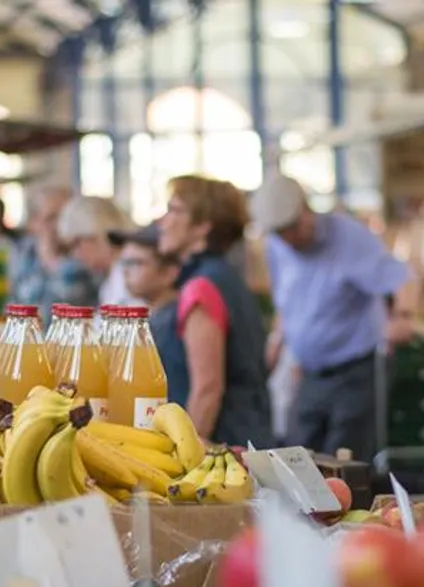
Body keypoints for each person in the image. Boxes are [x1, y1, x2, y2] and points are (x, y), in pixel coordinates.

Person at [252, 173, 416, 461]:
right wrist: (281, 343)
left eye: (292, 228)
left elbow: (403, 279)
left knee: (345, 463)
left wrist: (402, 316)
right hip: (310, 372)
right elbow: (287, 304)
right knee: (295, 457)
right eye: (280, 233)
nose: (289, 239)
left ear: (306, 209)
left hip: (356, 372)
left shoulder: (351, 239)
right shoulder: (277, 247)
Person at [158, 175, 272, 446]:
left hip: (224, 445)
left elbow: (208, 389)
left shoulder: (201, 287)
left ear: (201, 226)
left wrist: (184, 455)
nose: (163, 222)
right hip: (248, 433)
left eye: (174, 210)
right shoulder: (225, 277)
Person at [118, 225, 187, 407]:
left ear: (169, 273)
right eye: (124, 262)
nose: (125, 271)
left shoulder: (175, 320)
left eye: (136, 263)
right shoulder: (152, 319)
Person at [11, 187, 100, 319]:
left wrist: (51, 260)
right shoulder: (23, 254)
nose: (60, 224)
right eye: (51, 218)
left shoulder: (85, 252)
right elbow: (14, 303)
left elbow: (75, 305)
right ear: (33, 222)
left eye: (66, 216)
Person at [56, 195, 143, 308]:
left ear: (99, 233)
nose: (75, 254)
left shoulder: (130, 275)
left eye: (77, 243)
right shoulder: (110, 279)